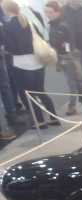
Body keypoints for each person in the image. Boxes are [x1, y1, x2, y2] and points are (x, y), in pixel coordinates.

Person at [2, 0, 58, 129]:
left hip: (21, 64)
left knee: (28, 95)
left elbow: (11, 47)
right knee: (41, 91)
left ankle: (40, 121)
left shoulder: (7, 26)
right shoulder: (28, 21)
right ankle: (54, 118)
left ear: (6, 10)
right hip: (37, 60)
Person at [44, 1, 82, 117]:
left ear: (57, 12)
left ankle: (72, 106)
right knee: (78, 81)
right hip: (61, 56)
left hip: (68, 57)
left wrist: (66, 53)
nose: (48, 14)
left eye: (50, 12)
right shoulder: (52, 26)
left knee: (72, 82)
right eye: (46, 12)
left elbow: (69, 42)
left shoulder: (63, 26)